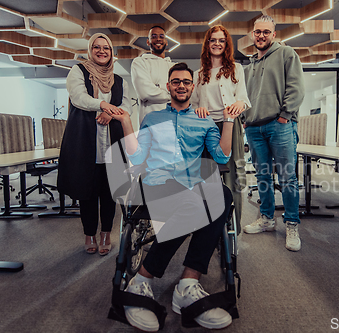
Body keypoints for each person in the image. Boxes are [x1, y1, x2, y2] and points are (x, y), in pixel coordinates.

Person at [112, 63, 237, 331]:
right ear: (168, 86)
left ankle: (188, 282)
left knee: (222, 195)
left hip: (191, 184)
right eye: (176, 81)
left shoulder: (203, 120)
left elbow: (222, 156)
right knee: (196, 202)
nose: (181, 85)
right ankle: (142, 279)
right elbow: (135, 156)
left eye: (186, 82)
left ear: (193, 87)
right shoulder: (152, 119)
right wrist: (126, 122)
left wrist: (228, 120)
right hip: (158, 183)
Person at [58, 33, 132, 255]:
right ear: (90, 50)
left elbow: (126, 104)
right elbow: (78, 97)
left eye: (106, 48)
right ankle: (89, 233)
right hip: (84, 141)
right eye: (97, 47)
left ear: (111, 53)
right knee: (86, 191)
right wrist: (103, 105)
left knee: (110, 191)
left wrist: (110, 113)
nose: (102, 51)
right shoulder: (77, 72)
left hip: (112, 141)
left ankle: (106, 233)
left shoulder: (119, 80)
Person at [242, 15, 305, 252]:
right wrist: (245, 121)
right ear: (252, 34)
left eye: (266, 32)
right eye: (257, 32)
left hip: (280, 125)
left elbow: (296, 88)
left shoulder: (286, 54)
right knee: (263, 177)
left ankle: (291, 224)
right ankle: (267, 219)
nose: (261, 36)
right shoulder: (250, 65)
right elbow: (244, 97)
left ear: (274, 34)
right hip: (254, 128)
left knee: (287, 178)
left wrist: (285, 115)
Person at [191, 25, 251, 234]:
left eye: (221, 40)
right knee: (208, 176)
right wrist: (198, 108)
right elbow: (193, 104)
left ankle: (233, 226)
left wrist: (239, 104)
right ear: (207, 44)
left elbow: (244, 99)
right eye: (213, 40)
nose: (217, 43)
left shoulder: (236, 69)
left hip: (230, 125)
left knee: (232, 175)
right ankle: (210, 228)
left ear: (226, 44)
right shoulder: (199, 74)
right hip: (206, 129)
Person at [131, 25, 175, 123]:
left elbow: (183, 94)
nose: (158, 39)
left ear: (166, 41)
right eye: (154, 36)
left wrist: (158, 87)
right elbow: (146, 93)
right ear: (148, 42)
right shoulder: (140, 62)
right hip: (150, 124)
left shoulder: (174, 66)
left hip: (173, 123)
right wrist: (172, 94)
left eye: (161, 36)